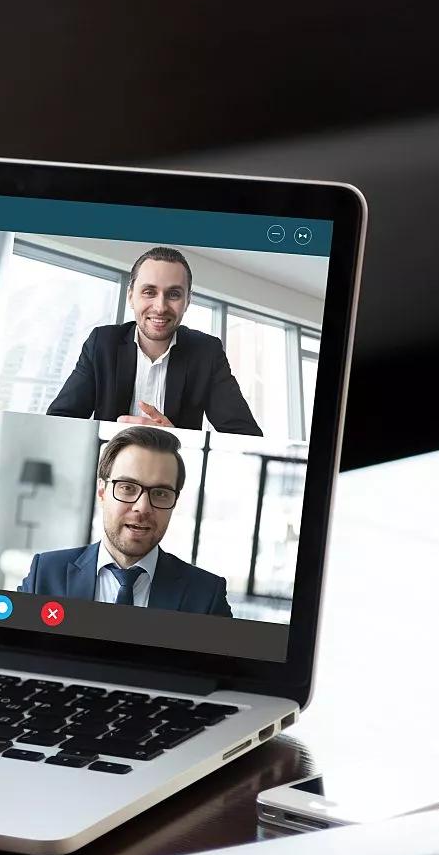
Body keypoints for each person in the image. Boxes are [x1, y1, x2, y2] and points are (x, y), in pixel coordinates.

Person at [46, 247, 263, 435]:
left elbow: (246, 436)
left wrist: (176, 440)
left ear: (188, 300)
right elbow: (60, 422)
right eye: (149, 292)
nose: (160, 307)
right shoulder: (102, 343)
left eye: (174, 294)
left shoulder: (206, 352)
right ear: (131, 296)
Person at [19, 427, 234, 616]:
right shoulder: (46, 573)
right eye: (128, 487)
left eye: (160, 493)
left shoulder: (206, 595)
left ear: (175, 501)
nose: (143, 507)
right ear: (102, 492)